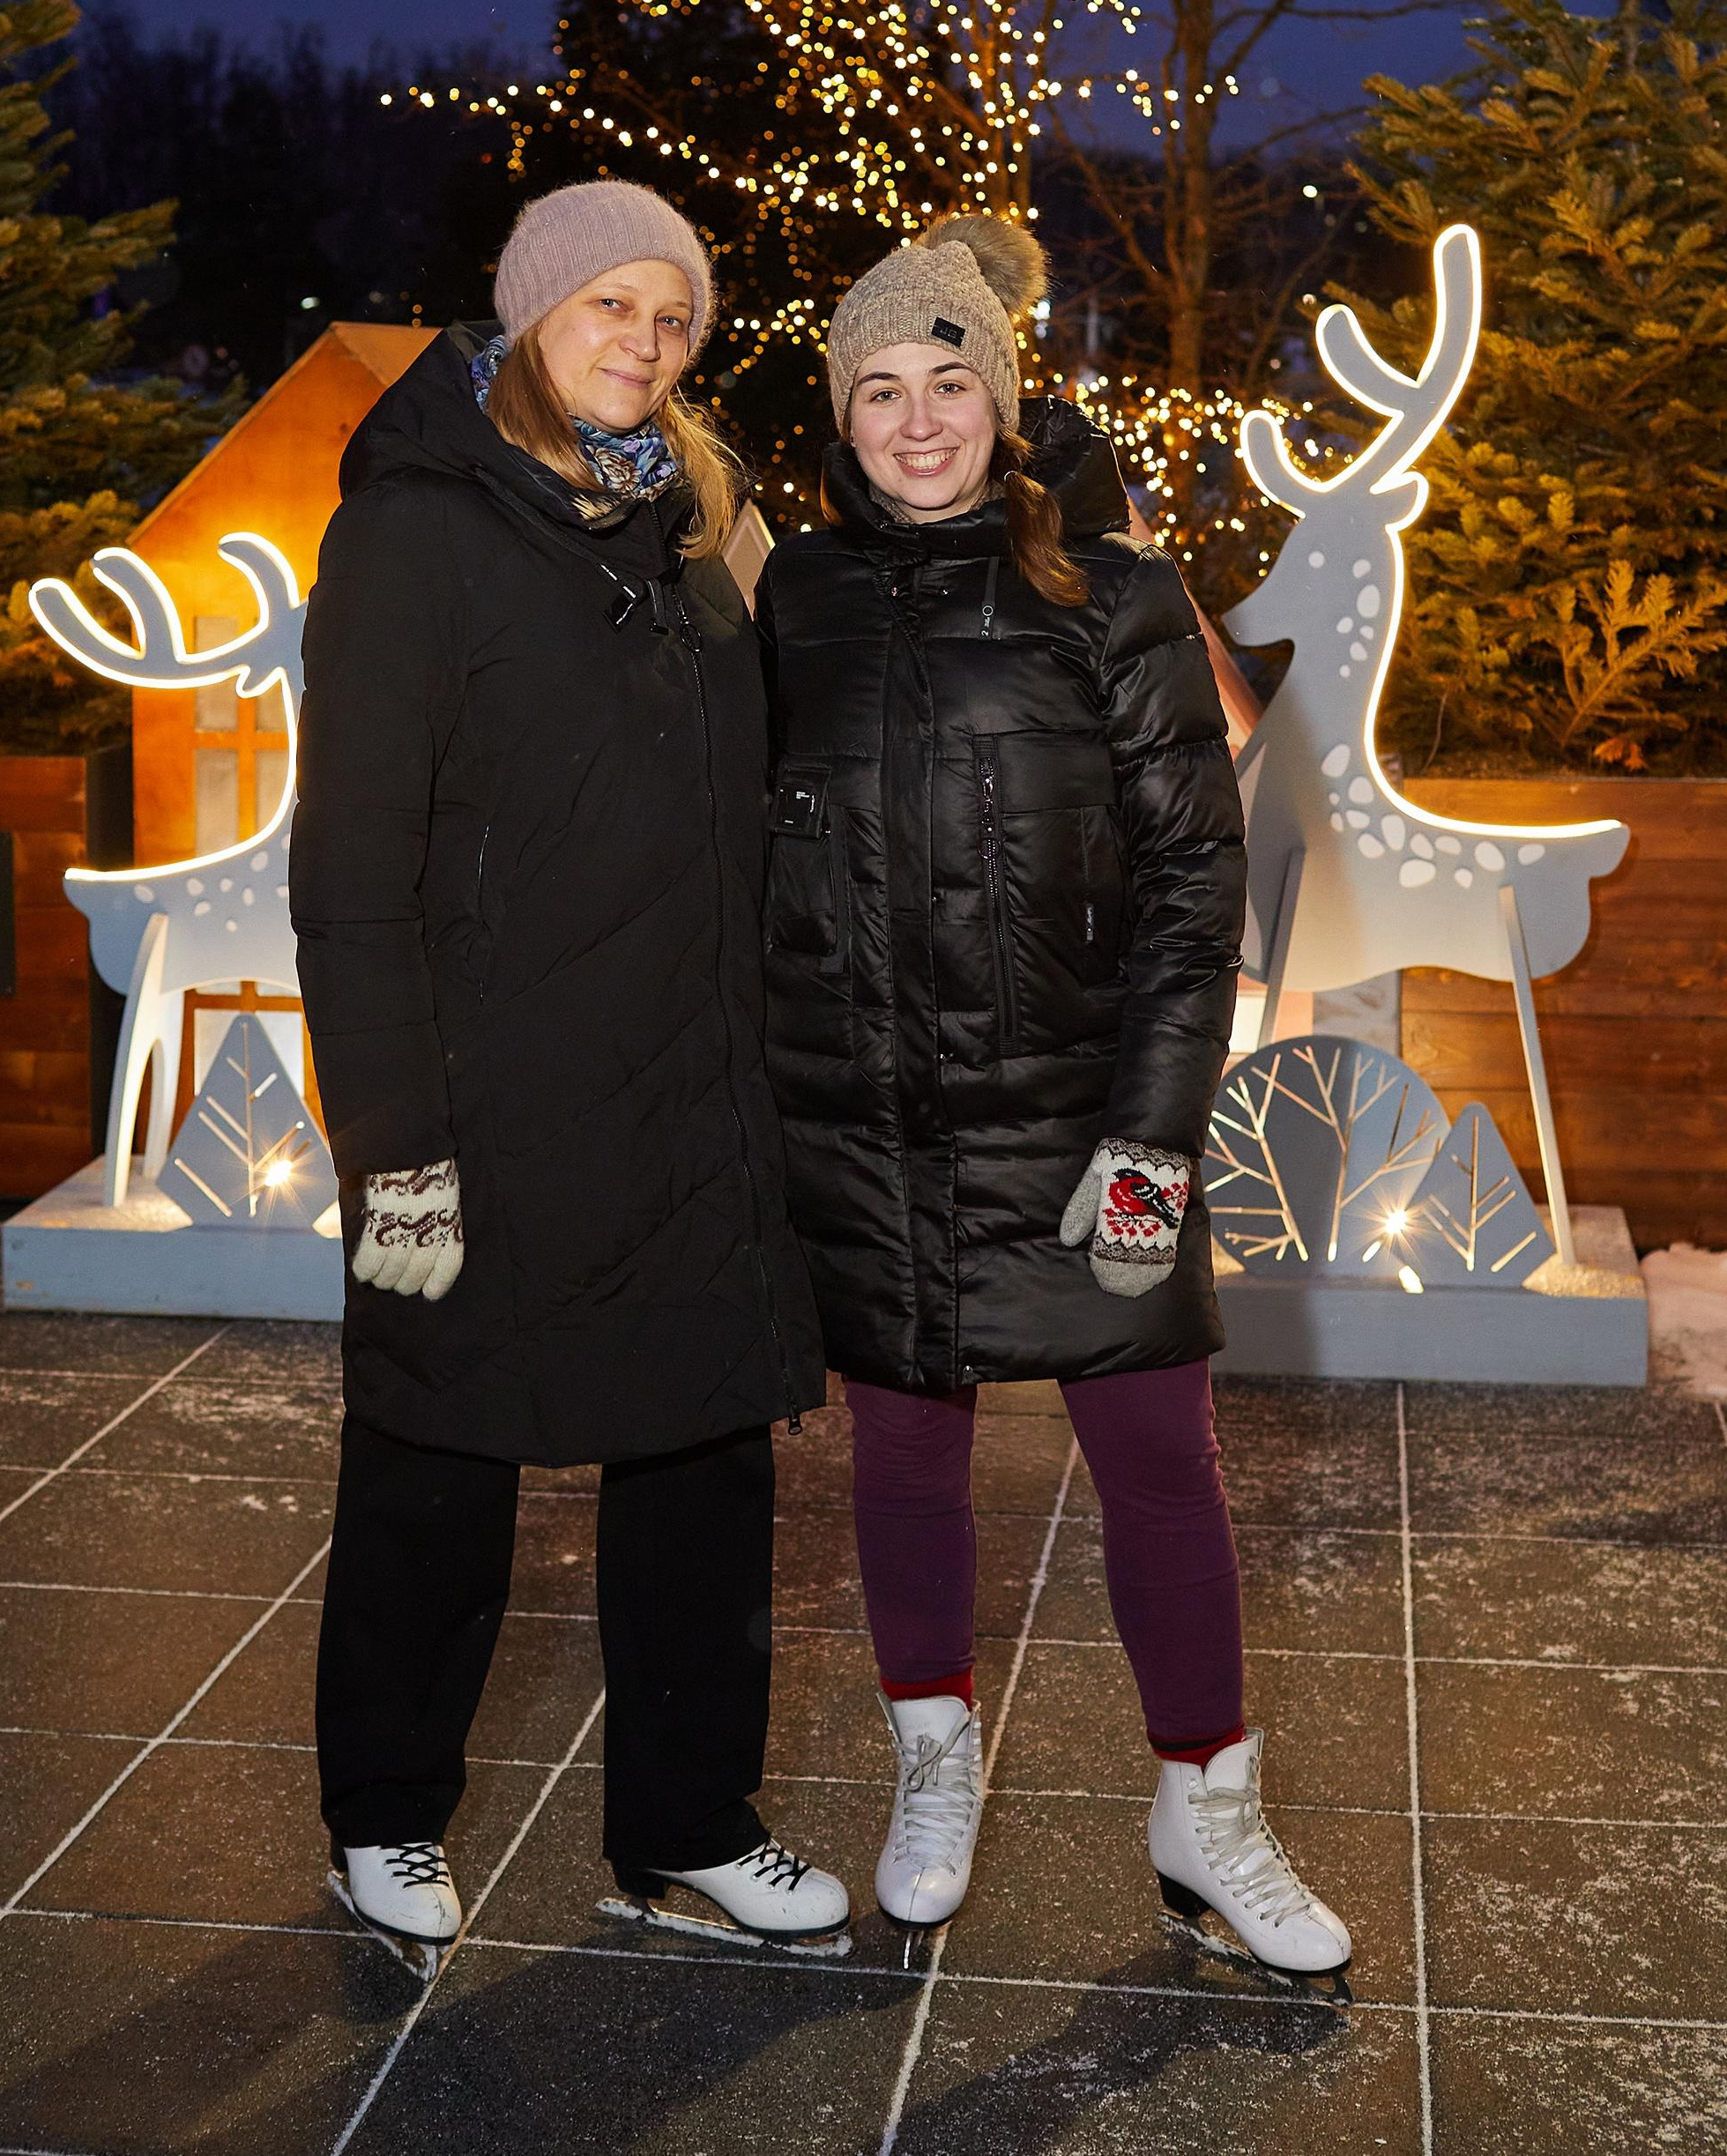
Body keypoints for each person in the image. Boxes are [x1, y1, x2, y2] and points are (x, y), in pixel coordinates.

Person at [754, 212, 1351, 1983]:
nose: (918, 419)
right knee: (906, 1454)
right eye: (882, 388)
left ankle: (1207, 1811)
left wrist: (1152, 1139)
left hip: (1091, 1121)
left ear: (1002, 404)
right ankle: (930, 1765)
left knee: (1159, 1461)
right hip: (865, 1126)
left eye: (951, 381)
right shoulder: (791, 601)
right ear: (842, 417)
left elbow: (1190, 892)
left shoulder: (1115, 591)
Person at [292, 181, 845, 1958]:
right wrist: (393, 1146)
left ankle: (686, 1826)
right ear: (528, 315)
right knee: (436, 1462)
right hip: (476, 1102)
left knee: (701, 1476)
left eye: (671, 318)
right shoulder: (416, 532)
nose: (643, 341)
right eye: (608, 306)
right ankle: (383, 1815)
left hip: (688, 1086)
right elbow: (351, 876)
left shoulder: (692, 530)